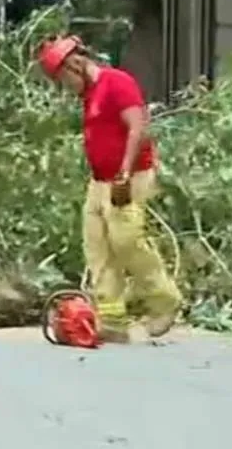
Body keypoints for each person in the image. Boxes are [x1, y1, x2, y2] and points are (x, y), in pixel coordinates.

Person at [38, 34, 181, 342]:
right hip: (99, 180)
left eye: (63, 79)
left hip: (129, 177)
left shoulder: (116, 82)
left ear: (75, 64)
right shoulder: (90, 94)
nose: (65, 87)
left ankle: (163, 302)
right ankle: (111, 315)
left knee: (126, 240)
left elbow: (138, 126)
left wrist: (124, 172)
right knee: (97, 246)